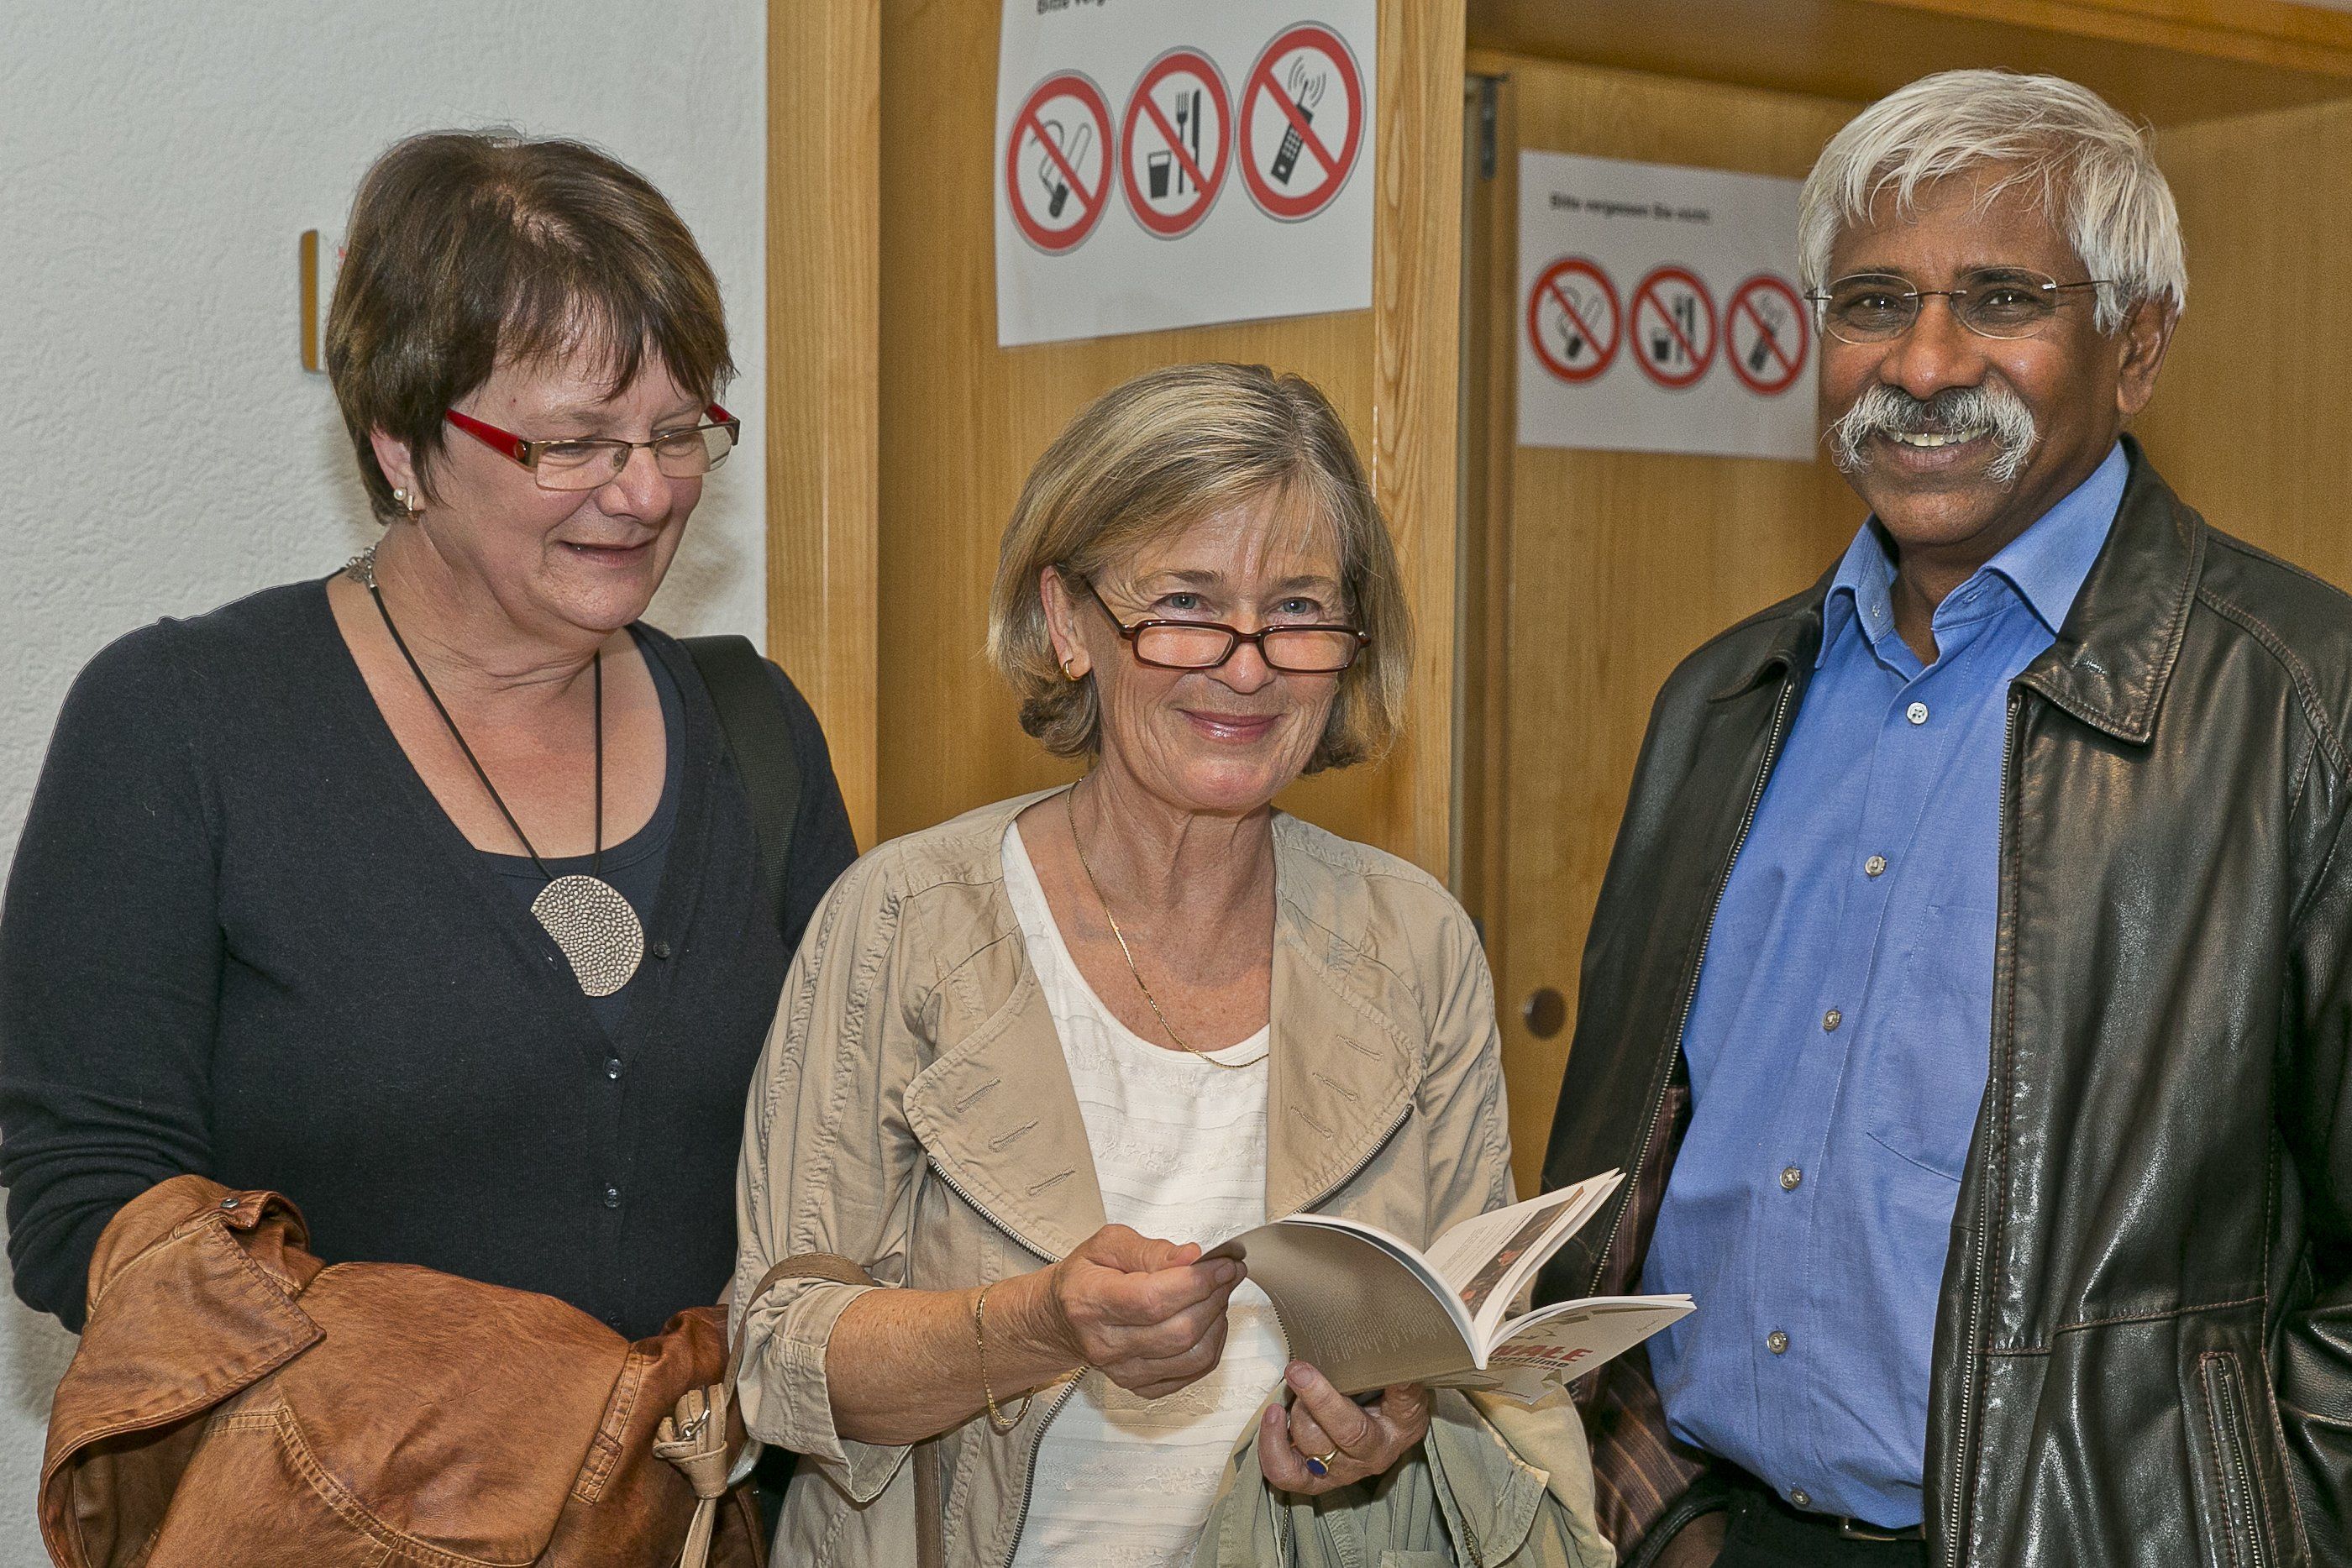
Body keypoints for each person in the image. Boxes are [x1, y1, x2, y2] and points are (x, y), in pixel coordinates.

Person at [1536, 68, 2352, 1568]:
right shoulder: (1724, 700)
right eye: (1872, 303)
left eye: (2001, 300)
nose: (1921, 363)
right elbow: (1626, 1176)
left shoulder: (2306, 707)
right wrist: (1655, 1517)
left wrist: (2255, 1530)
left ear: (2138, 346)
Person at [730, 363, 1610, 1567]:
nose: (1247, 666)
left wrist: (1386, 1429)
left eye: (1298, 610)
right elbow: (778, 1359)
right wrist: (1043, 1324)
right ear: (1067, 622)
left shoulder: (1415, 944)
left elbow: (1478, 1362)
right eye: (1187, 604)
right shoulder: (903, 923)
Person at [0, 131, 858, 1347]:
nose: (646, 492)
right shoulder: (181, 723)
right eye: (575, 443)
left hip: (707, 1479)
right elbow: (86, 1202)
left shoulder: (752, 731)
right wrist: (453, 1408)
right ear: (403, 445)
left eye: (677, 433)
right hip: (339, 1471)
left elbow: (855, 1147)